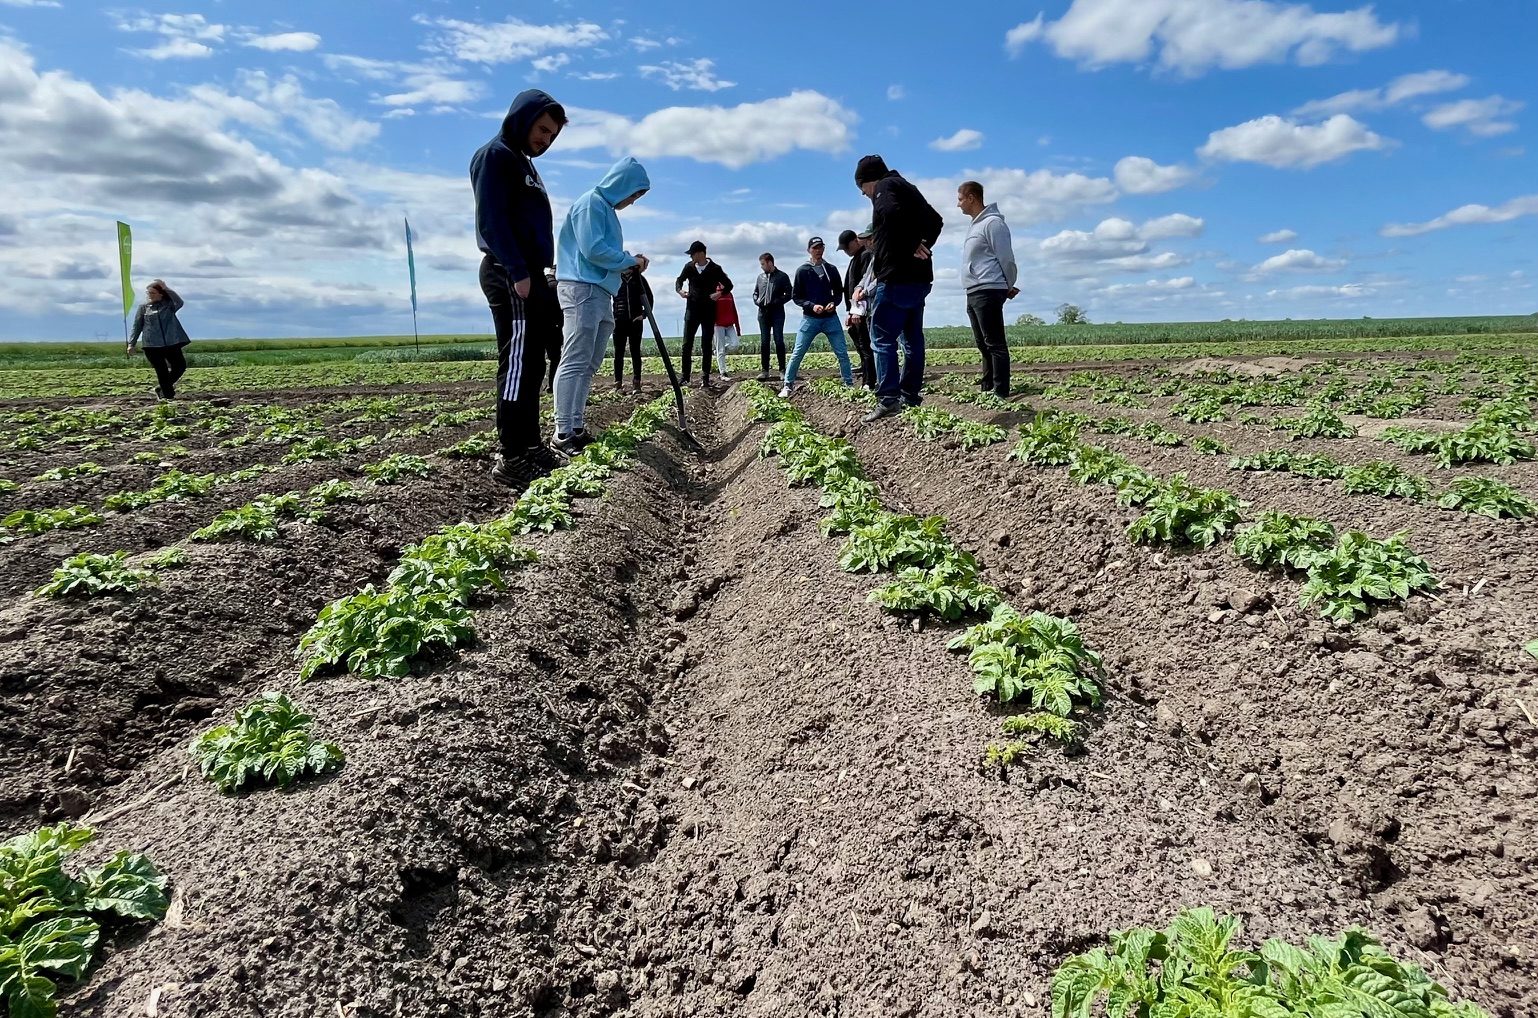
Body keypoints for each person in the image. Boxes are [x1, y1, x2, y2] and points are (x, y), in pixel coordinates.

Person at [471, 88, 567, 488]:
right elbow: (492, 220)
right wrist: (518, 271)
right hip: (510, 273)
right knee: (515, 364)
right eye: (542, 129)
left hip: (530, 272)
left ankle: (530, 445)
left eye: (552, 136)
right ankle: (511, 456)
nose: (545, 140)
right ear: (522, 118)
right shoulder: (496, 156)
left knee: (533, 364)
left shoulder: (522, 162)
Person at [552, 156, 651, 455]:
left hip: (601, 290)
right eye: (633, 195)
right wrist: (628, 260)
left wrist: (628, 261)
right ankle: (562, 433)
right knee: (575, 360)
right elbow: (593, 249)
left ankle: (577, 427)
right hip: (581, 288)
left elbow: (603, 251)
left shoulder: (605, 209)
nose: (632, 202)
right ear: (622, 185)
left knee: (589, 363)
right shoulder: (590, 204)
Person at [854, 154, 944, 422]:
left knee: (881, 338)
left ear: (868, 181)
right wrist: (923, 244)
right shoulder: (907, 187)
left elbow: (892, 214)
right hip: (919, 279)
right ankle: (911, 396)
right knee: (913, 339)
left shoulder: (885, 187)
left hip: (895, 276)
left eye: (863, 190)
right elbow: (936, 220)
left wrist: (909, 245)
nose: (866, 195)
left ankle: (888, 398)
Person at [958, 181, 1019, 397]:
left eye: (960, 199)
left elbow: (1006, 258)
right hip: (973, 290)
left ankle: (1001, 390)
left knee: (995, 343)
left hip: (988, 289)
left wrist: (1007, 285)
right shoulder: (975, 225)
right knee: (982, 343)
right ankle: (987, 386)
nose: (958, 204)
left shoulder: (993, 224)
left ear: (972, 198)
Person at [781, 236, 854, 396]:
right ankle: (787, 385)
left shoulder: (831, 269)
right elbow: (796, 297)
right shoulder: (802, 271)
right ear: (809, 250)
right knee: (798, 352)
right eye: (815, 248)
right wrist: (812, 306)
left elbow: (839, 293)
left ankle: (848, 384)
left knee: (842, 352)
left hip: (830, 319)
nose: (818, 250)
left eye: (821, 247)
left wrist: (833, 303)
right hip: (810, 319)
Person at [674, 241, 732, 387]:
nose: (691, 257)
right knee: (687, 344)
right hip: (692, 310)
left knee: (706, 344)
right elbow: (679, 281)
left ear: (700, 253)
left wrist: (719, 294)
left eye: (692, 254)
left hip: (708, 311)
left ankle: (705, 377)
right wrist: (680, 291)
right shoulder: (689, 267)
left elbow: (729, 285)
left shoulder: (715, 268)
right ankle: (685, 376)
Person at [127, 279, 191, 400]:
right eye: (148, 293)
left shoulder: (169, 305)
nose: (149, 296)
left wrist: (166, 288)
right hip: (151, 345)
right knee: (162, 371)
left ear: (161, 294)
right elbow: (137, 326)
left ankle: (161, 388)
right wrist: (131, 344)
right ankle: (168, 397)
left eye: (153, 293)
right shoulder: (143, 308)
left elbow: (180, 302)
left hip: (171, 342)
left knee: (180, 367)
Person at [838, 228, 877, 389]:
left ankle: (869, 381)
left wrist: (857, 311)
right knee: (860, 342)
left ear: (855, 241)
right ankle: (866, 373)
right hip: (855, 310)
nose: (846, 251)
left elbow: (863, 287)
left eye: (847, 247)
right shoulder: (856, 257)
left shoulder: (865, 255)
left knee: (866, 344)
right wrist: (850, 311)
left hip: (862, 310)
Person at [612, 264, 653, 394]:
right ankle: (618, 383)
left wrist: (644, 315)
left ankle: (636, 383)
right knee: (618, 353)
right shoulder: (615, 279)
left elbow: (649, 298)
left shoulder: (639, 279)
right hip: (619, 321)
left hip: (635, 321)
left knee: (635, 352)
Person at [751, 253, 792, 381]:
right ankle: (765, 371)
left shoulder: (782, 276)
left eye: (763, 264)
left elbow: (789, 293)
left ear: (770, 263)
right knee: (764, 342)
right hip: (763, 313)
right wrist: (756, 300)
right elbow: (755, 292)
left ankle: (782, 370)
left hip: (777, 313)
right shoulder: (760, 277)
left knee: (779, 340)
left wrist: (777, 301)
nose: (762, 267)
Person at [712, 284, 742, 382]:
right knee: (721, 350)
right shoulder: (714, 294)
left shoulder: (729, 294)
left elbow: (734, 310)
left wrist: (738, 328)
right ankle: (723, 372)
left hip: (729, 325)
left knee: (735, 344)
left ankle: (718, 351)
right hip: (718, 325)